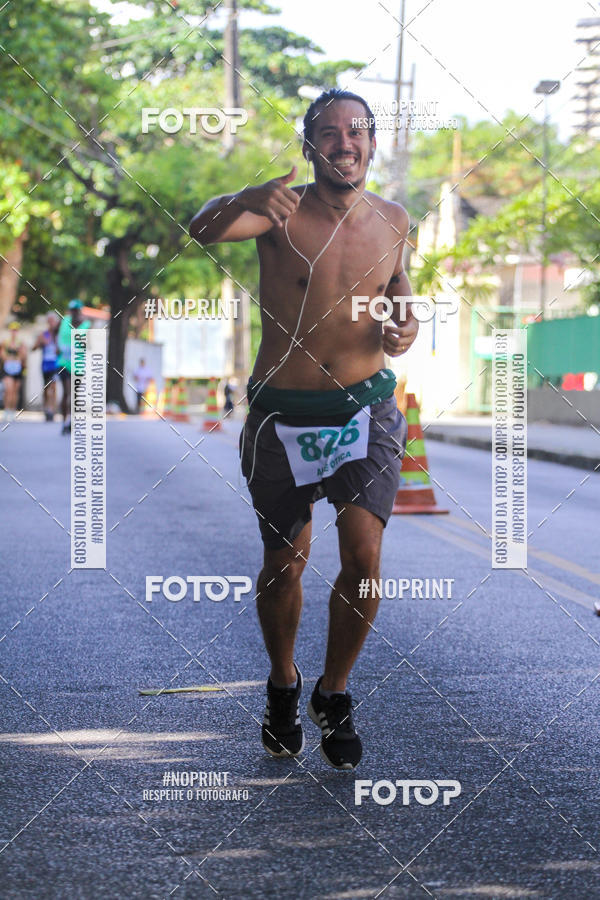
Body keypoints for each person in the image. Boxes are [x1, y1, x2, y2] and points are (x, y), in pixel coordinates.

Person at [190, 88, 419, 770]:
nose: (344, 142)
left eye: (357, 132)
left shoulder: (396, 218)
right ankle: (285, 683)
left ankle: (336, 691)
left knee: (365, 556)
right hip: (283, 412)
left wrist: (407, 323)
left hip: (366, 408)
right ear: (309, 146)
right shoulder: (275, 212)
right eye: (328, 132)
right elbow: (201, 229)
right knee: (284, 562)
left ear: (373, 144)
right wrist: (245, 196)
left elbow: (399, 288)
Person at [56, 299, 90, 434]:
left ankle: (71, 421)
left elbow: (91, 343)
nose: (74, 313)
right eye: (72, 310)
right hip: (64, 362)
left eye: (76, 310)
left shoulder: (87, 325)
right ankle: (65, 421)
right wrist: (57, 347)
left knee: (74, 395)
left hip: (78, 364)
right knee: (66, 392)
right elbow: (55, 334)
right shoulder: (64, 321)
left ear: (80, 311)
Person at [33, 312, 60, 421]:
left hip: (56, 364)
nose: (51, 323)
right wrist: (40, 343)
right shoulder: (43, 334)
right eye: (49, 321)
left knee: (53, 387)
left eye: (53, 321)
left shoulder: (59, 335)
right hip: (45, 365)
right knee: (46, 388)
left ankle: (52, 410)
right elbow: (33, 348)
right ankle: (46, 408)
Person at [1, 322, 28, 422]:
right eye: (13, 330)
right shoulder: (6, 342)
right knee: (9, 390)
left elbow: (23, 356)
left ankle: (12, 411)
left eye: (16, 330)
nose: (14, 332)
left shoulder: (21, 342)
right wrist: (10, 357)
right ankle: (7, 410)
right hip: (8, 368)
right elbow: (3, 355)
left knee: (15, 391)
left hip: (17, 369)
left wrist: (18, 352)